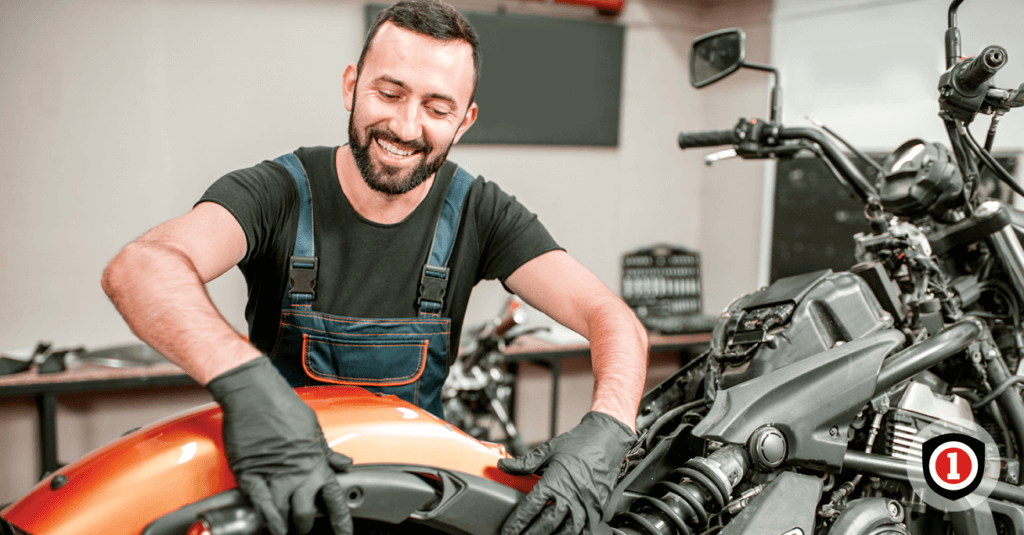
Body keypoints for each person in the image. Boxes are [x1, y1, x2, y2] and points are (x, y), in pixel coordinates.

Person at [100, 1, 649, 534]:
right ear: (351, 86)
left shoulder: (480, 212)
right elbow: (140, 268)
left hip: (418, 506)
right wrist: (248, 387)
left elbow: (611, 317)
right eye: (389, 93)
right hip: (287, 493)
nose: (406, 127)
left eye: (437, 109)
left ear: (464, 121)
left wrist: (610, 426)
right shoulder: (277, 193)